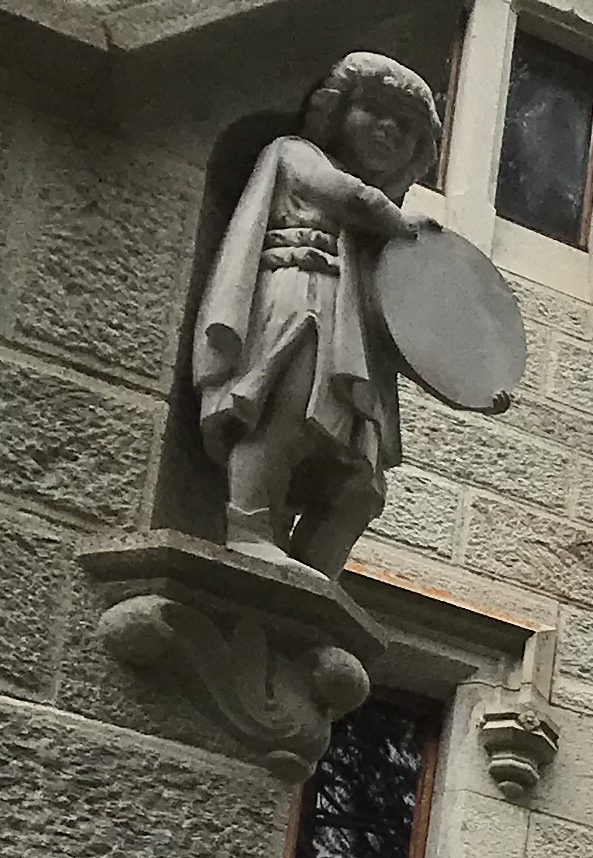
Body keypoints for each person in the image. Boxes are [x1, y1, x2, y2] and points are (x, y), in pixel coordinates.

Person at [193, 53, 442, 578]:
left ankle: (314, 568)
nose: (390, 130)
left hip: (354, 328)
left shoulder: (383, 239)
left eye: (407, 127)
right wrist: (400, 222)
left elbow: (408, 324)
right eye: (375, 110)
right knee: (283, 414)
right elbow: (343, 194)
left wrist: (464, 380)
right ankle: (249, 529)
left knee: (362, 480)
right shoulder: (295, 151)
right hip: (299, 294)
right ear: (335, 109)